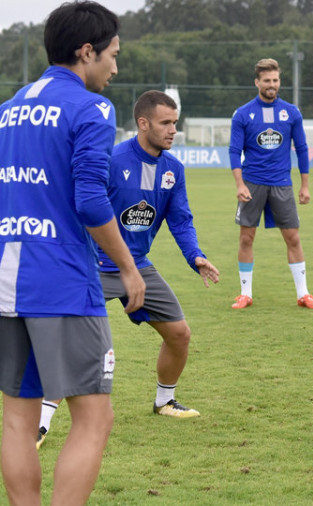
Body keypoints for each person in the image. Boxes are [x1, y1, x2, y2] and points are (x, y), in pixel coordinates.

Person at [0, 2, 146, 504]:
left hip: (8, 280)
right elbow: (89, 200)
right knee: (95, 417)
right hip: (61, 281)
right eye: (112, 55)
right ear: (87, 52)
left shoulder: (9, 108)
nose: (115, 67)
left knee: (18, 418)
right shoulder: (91, 108)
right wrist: (128, 268)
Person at [36, 90, 221, 449]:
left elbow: (180, 220)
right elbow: (82, 208)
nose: (173, 131)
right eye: (165, 123)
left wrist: (194, 255)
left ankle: (164, 401)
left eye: (175, 123)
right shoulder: (111, 159)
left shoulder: (173, 170)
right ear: (143, 123)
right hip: (94, 266)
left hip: (139, 267)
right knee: (71, 343)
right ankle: (39, 426)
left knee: (180, 334)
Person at [228, 58, 313, 310]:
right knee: (246, 237)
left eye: (275, 80)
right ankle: (245, 293)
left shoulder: (291, 112)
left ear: (280, 81)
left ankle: (304, 294)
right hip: (252, 183)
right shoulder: (243, 114)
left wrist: (305, 185)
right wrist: (239, 185)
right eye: (266, 80)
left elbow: (301, 149)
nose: (271, 84)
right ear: (257, 82)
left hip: (281, 184)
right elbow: (235, 151)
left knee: (293, 237)